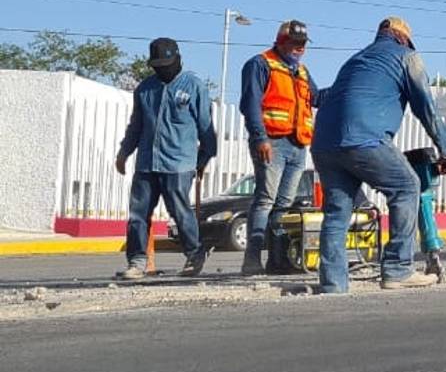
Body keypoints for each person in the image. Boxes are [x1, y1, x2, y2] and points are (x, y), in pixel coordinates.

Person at [310, 17, 446, 293]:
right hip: (365, 139)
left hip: (323, 145)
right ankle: (397, 269)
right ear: (403, 39)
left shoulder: (356, 61)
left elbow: (329, 97)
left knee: (337, 212)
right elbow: (425, 106)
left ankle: (333, 284)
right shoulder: (407, 57)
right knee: (407, 186)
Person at [115, 37, 217, 279]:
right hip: (147, 162)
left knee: (180, 212)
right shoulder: (145, 89)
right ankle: (137, 261)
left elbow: (206, 128)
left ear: (178, 59)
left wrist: (203, 159)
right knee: (138, 215)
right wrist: (124, 152)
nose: (163, 69)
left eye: (167, 63)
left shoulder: (194, 87)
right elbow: (136, 126)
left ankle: (194, 253)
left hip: (179, 163)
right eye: (158, 65)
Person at [238, 19, 325, 275]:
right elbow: (250, 105)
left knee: (284, 204)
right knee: (265, 200)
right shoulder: (261, 64)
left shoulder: (302, 72)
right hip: (271, 142)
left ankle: (278, 260)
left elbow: (317, 98)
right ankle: (252, 260)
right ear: (281, 41)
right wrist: (259, 138)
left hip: (298, 145)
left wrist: (345, 88)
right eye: (295, 43)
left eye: (303, 44)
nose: (300, 48)